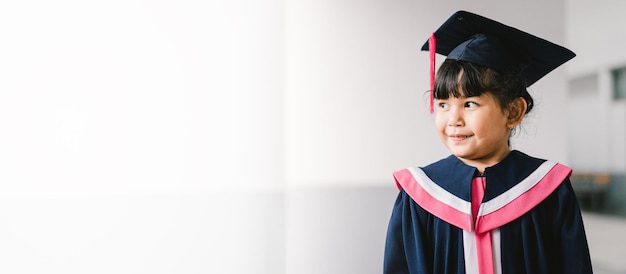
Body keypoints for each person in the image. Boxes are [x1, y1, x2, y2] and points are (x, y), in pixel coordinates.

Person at [383, 10, 593, 274]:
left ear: (514, 112)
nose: (453, 118)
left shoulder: (549, 189)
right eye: (443, 104)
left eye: (470, 103)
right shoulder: (420, 193)